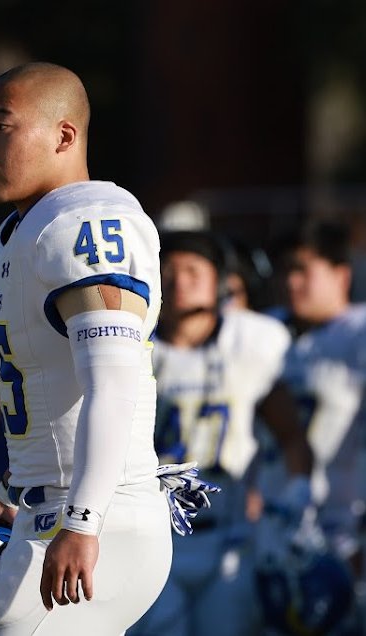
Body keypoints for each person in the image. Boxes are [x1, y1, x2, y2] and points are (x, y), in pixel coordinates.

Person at [0, 61, 175, 635]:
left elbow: (115, 384)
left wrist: (83, 521)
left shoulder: (88, 220)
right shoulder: (21, 229)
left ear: (63, 136)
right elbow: (49, 393)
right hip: (55, 509)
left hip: (100, 515)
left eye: (2, 126)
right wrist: (12, 494)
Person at [126, 230, 314, 636]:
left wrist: (296, 491)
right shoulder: (132, 344)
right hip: (153, 537)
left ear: (221, 280)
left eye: (194, 270)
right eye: (169, 271)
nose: (179, 281)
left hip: (230, 535)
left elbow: (291, 434)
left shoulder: (251, 341)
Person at [255, 218, 366, 632]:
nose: (291, 282)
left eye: (303, 269)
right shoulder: (267, 331)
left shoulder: (357, 333)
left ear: (341, 274)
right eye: (284, 270)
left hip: (341, 530)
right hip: (270, 528)